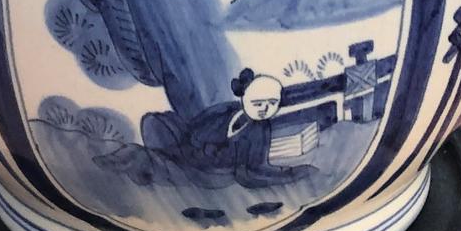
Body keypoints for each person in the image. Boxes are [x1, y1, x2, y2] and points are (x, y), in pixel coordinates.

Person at [95, 68, 317, 190]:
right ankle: (127, 160)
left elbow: (252, 170)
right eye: (258, 103)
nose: (265, 109)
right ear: (244, 97)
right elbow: (196, 125)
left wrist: (291, 174)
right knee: (155, 122)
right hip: (190, 148)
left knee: (154, 160)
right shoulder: (226, 110)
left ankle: (131, 163)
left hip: (211, 171)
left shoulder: (260, 131)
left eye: (272, 103)